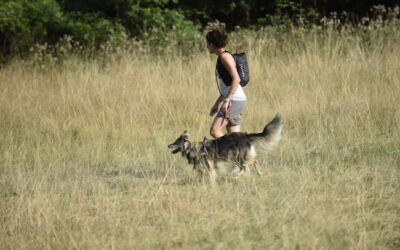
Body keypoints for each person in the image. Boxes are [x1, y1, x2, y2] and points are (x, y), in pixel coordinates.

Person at [206, 29, 247, 138]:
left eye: (207, 43)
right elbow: (226, 87)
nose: (207, 46)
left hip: (234, 100)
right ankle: (239, 155)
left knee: (215, 131)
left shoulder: (225, 57)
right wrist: (217, 103)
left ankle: (227, 153)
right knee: (235, 137)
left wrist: (227, 100)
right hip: (236, 99)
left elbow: (236, 79)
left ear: (212, 44)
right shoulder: (222, 57)